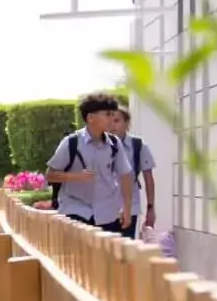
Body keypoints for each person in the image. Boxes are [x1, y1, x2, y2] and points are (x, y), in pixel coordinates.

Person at [42, 91, 134, 235]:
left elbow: (126, 176)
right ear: (90, 117)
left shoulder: (115, 144)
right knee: (79, 256)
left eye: (113, 114)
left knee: (105, 257)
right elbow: (50, 175)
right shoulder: (71, 143)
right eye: (107, 114)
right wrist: (76, 176)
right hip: (76, 212)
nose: (112, 118)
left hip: (108, 214)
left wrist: (127, 208)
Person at [111, 107, 156, 239]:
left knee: (125, 248)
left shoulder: (138, 145)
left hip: (130, 208)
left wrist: (150, 208)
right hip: (104, 209)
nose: (112, 125)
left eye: (117, 120)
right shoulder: (99, 145)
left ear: (127, 123)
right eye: (109, 121)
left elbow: (149, 178)